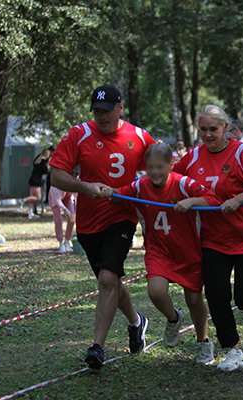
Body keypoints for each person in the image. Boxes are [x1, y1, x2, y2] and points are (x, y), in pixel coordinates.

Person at [173, 105, 243, 372]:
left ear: (225, 128)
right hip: (213, 239)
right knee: (216, 295)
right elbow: (171, 179)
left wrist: (237, 199)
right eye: (203, 129)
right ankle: (233, 350)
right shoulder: (192, 157)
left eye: (213, 129)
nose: (208, 134)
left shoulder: (242, 152)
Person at [49, 84, 156, 370]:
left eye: (107, 111)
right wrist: (85, 186)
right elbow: (56, 176)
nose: (102, 117)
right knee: (110, 281)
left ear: (120, 108)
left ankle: (97, 347)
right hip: (88, 223)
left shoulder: (139, 136)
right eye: (97, 111)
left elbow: (163, 167)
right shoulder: (78, 134)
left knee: (108, 279)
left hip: (121, 218)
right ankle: (136, 321)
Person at [102, 142, 220, 364]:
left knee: (194, 300)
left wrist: (192, 201)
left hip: (188, 252)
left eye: (160, 167)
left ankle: (203, 341)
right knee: (156, 292)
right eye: (151, 167)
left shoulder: (184, 184)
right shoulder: (140, 186)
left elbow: (212, 199)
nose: (155, 172)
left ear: (171, 164)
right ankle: (173, 318)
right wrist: (107, 192)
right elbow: (122, 195)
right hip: (159, 251)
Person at [49, 168, 77, 253]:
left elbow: (76, 195)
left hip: (66, 196)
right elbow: (57, 199)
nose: (75, 179)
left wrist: (77, 208)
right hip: (55, 198)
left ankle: (67, 241)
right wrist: (65, 209)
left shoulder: (76, 180)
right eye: (73, 177)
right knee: (58, 220)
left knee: (72, 218)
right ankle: (60, 242)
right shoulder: (58, 184)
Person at [20, 149, 51, 219]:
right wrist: (48, 167)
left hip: (32, 179)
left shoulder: (37, 160)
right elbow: (45, 170)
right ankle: (23, 200)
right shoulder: (43, 162)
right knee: (38, 197)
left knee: (32, 197)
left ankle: (31, 213)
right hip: (37, 180)